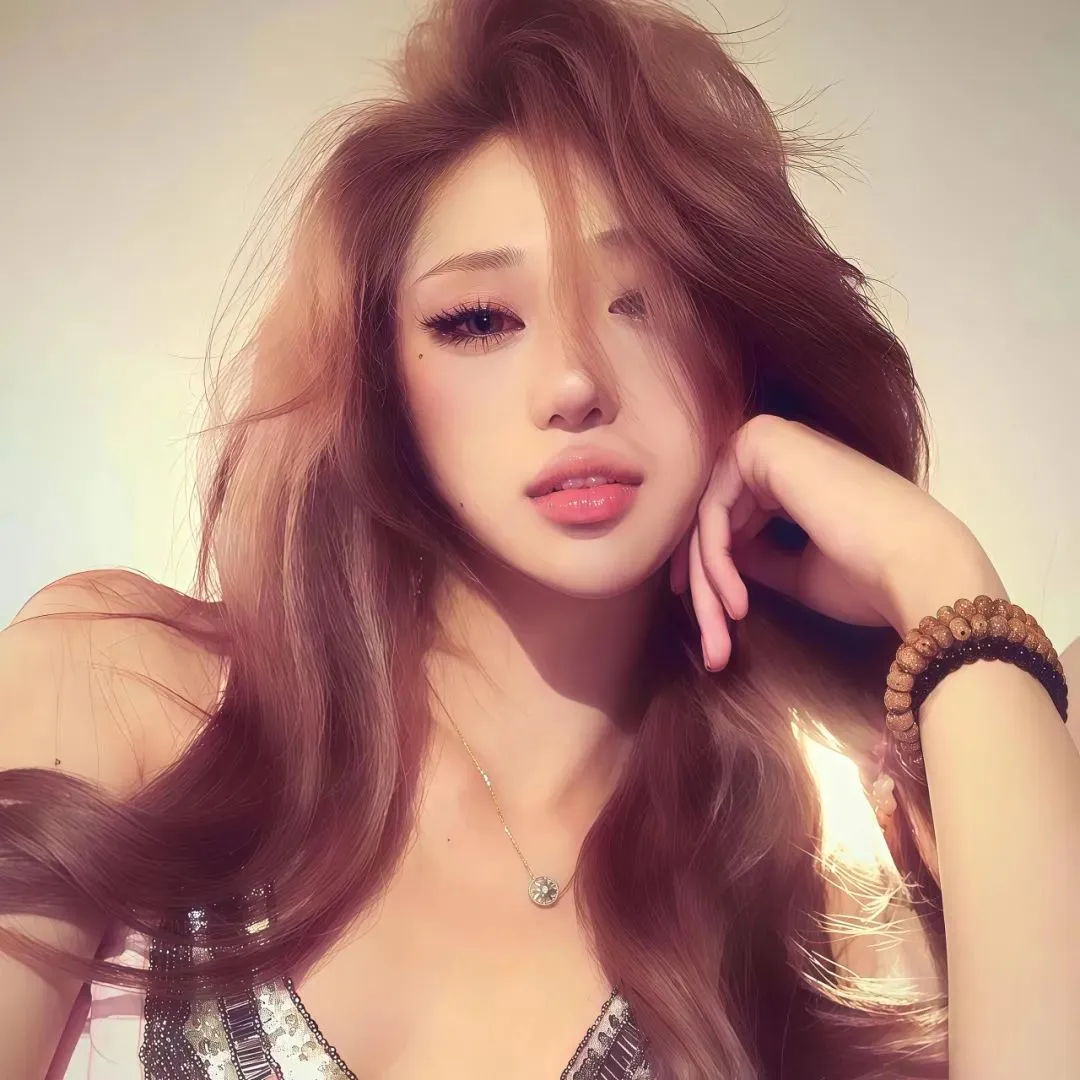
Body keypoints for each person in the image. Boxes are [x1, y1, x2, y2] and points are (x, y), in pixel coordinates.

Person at [2, 0, 1078, 1077]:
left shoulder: (836, 891)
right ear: (381, 382)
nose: (573, 383)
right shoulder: (119, 689)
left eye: (644, 303)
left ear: (743, 349)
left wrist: (942, 578)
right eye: (479, 319)